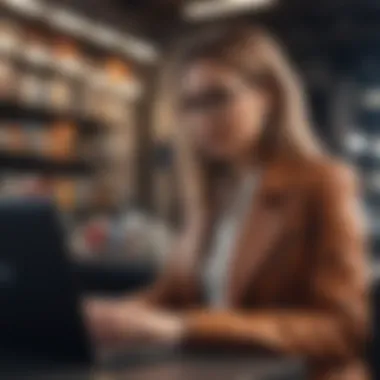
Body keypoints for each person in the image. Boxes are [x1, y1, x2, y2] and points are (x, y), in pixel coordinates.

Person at [85, 25, 370, 380]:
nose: (201, 120)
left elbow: (342, 329)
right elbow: (169, 295)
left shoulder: (324, 183)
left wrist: (184, 327)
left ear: (267, 97)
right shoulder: (213, 194)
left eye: (217, 97)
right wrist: (105, 314)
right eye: (190, 105)